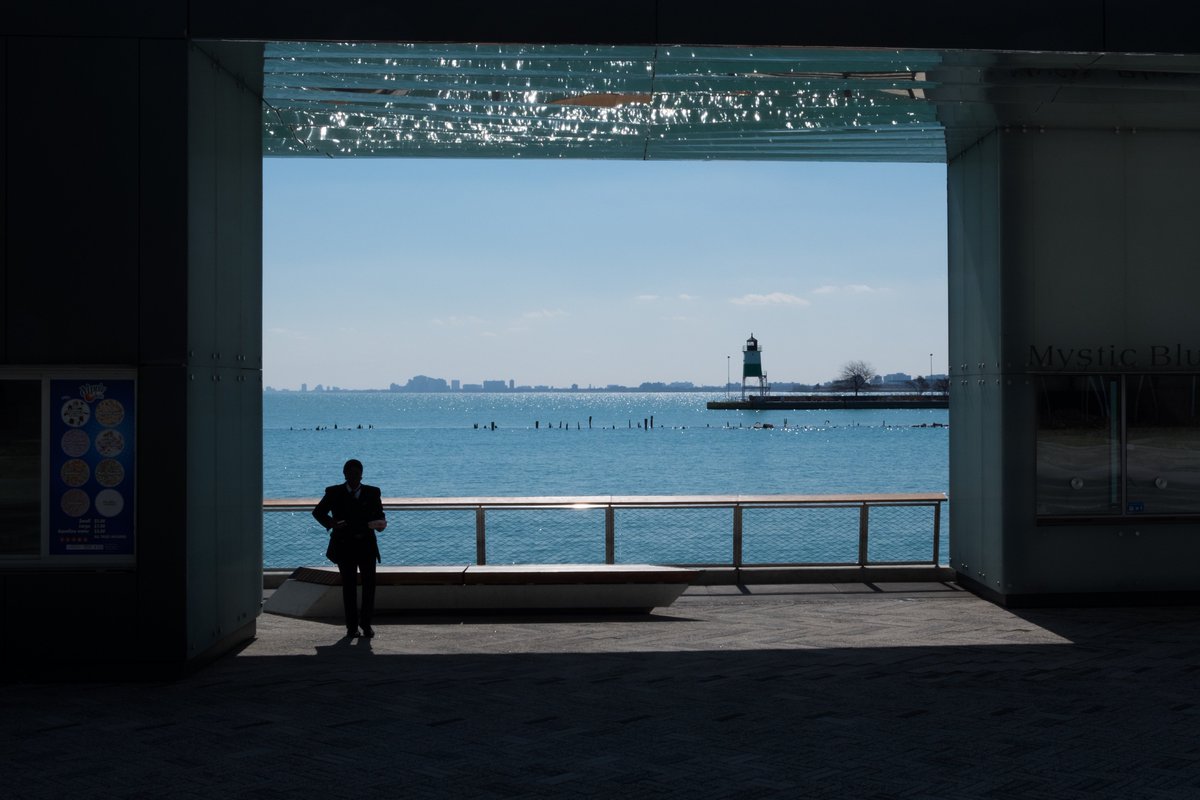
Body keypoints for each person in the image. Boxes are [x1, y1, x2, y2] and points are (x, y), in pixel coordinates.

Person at [312, 458, 386, 637]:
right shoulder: (334, 492)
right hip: (345, 546)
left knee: (369, 586)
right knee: (349, 587)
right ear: (344, 474)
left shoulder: (372, 492)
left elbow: (380, 515)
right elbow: (318, 512)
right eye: (351, 474)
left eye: (357, 474)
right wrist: (332, 523)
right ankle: (352, 627)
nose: (354, 477)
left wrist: (380, 524)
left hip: (367, 546)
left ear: (362, 475)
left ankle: (366, 624)